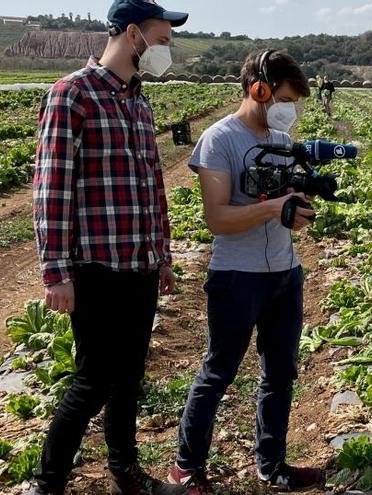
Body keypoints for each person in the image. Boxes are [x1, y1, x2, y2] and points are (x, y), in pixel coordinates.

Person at [29, 1, 187, 494]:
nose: (166, 49)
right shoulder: (73, 94)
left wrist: (161, 253)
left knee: (130, 376)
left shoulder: (139, 101)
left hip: (139, 264)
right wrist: (56, 272)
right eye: (163, 40)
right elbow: (52, 187)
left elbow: (151, 184)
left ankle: (126, 471)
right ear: (135, 34)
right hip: (95, 264)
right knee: (93, 379)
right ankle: (48, 481)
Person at [168, 49, 321, 494]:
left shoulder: (278, 139)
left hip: (285, 273)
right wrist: (274, 208)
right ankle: (186, 466)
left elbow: (280, 202)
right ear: (259, 88)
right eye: (285, 98)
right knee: (218, 372)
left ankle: (271, 464)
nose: (289, 109)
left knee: (280, 374)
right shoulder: (220, 140)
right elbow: (217, 218)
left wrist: (296, 209)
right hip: (238, 275)